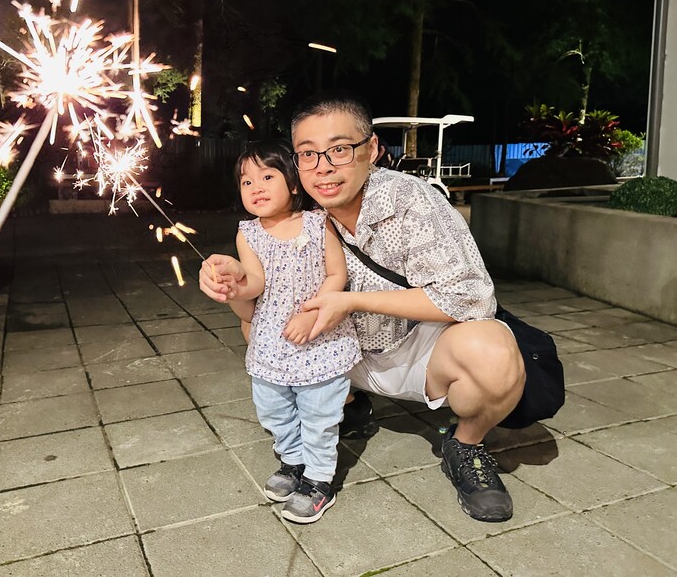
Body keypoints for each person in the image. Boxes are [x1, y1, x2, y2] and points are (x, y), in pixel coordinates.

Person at [200, 91, 525, 523]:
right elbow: (252, 315)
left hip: (415, 348)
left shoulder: (409, 200)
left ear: (371, 149)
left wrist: (350, 300)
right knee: (261, 332)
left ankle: (465, 445)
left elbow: (472, 296)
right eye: (308, 154)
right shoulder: (289, 213)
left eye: (339, 149)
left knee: (492, 352)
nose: (323, 167)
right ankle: (348, 406)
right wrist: (231, 285)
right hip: (332, 351)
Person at [218, 140, 362, 524]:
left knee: (318, 414)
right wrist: (235, 283)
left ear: (294, 184)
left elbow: (337, 274)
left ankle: (319, 480)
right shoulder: (248, 233)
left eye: (267, 177)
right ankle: (293, 461)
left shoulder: (318, 222)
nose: (256, 187)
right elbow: (256, 282)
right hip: (271, 343)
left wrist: (312, 314)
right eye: (246, 182)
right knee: (274, 409)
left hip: (320, 339)